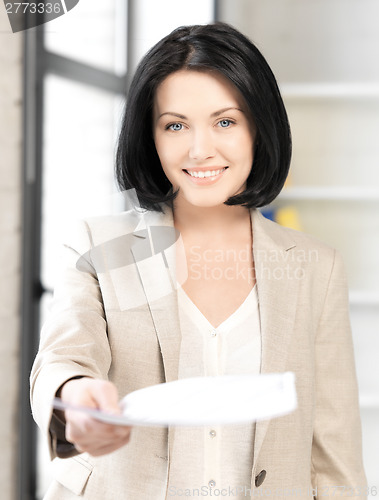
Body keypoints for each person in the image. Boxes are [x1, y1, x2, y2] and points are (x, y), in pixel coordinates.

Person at [30, 22, 367, 499]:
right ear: (151, 136)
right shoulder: (98, 245)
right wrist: (76, 398)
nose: (200, 149)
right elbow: (62, 358)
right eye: (175, 125)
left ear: (259, 128)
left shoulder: (317, 267)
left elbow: (335, 456)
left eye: (225, 121)